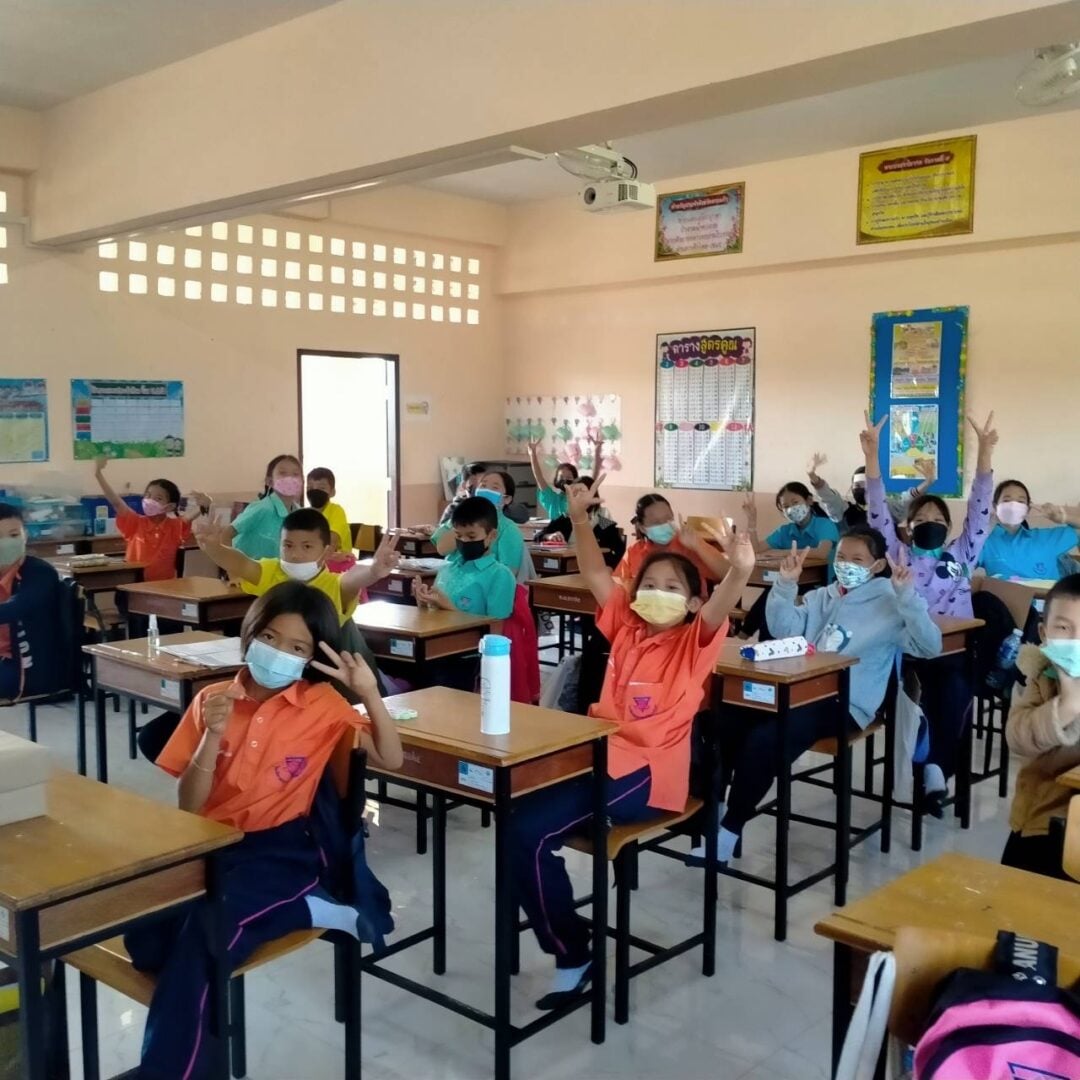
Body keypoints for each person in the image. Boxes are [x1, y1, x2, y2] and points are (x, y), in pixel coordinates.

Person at [124, 582, 403, 1079]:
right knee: (145, 943)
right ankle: (305, 908)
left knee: (206, 939)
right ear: (250, 633)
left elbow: (391, 757)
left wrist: (367, 692)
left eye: (297, 647)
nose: (278, 653)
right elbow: (189, 805)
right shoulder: (212, 699)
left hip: (281, 850)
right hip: (209, 845)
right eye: (270, 638)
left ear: (312, 657)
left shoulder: (321, 704)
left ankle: (171, 1072)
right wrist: (212, 735)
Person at [511, 477, 754, 1009]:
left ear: (693, 602)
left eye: (672, 588)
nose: (657, 594)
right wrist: (579, 519)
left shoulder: (694, 642)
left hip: (647, 775)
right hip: (594, 756)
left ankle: (573, 954)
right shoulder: (627, 625)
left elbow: (722, 604)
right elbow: (597, 573)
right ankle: (569, 935)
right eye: (650, 585)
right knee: (516, 817)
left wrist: (739, 570)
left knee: (525, 832)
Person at [695, 528, 941, 863]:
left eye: (858, 559)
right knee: (727, 716)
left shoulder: (892, 601)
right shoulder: (824, 595)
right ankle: (715, 807)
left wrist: (907, 597)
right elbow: (783, 629)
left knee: (768, 737)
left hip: (847, 702)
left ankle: (729, 831)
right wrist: (786, 585)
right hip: (799, 689)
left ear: (878, 565)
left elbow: (930, 646)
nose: (846, 565)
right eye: (841, 557)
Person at [862, 410, 998, 814]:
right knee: (919, 696)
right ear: (907, 526)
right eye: (921, 518)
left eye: (939, 519)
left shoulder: (961, 554)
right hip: (904, 652)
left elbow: (981, 509)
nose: (930, 523)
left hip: (950, 652)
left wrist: (985, 453)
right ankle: (930, 761)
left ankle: (935, 768)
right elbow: (876, 510)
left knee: (954, 689)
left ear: (950, 526)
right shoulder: (897, 552)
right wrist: (871, 457)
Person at [1003, 573, 1080, 879]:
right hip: (1045, 817)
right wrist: (1067, 706)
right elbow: (1017, 737)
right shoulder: (1038, 675)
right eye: (1063, 628)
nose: (1075, 640)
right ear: (1044, 633)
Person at [195, 508, 398, 624]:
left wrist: (373, 571)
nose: (295, 555)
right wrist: (215, 548)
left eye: (307, 546)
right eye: (288, 545)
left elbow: (351, 580)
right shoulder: (272, 572)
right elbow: (241, 563)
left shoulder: (332, 584)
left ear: (326, 551)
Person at [93, 456, 210, 581]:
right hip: (135, 586)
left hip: (165, 586)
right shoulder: (135, 523)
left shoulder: (175, 526)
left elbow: (191, 515)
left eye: (158, 498)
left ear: (170, 506)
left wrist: (206, 503)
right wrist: (98, 474)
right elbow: (116, 503)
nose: (150, 500)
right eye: (148, 495)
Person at [413, 496, 516, 626]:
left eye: (471, 536)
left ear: (492, 535)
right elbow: (434, 621)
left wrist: (449, 608)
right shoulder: (447, 570)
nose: (464, 541)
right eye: (458, 535)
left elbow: (495, 630)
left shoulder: (500, 575)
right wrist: (424, 603)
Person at [0, 504, 67, 700]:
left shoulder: (39, 572)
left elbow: (15, 608)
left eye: (14, 535)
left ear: (25, 536)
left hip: (26, 667)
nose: (6, 542)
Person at [613, 493, 729, 595]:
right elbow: (618, 586)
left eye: (668, 519)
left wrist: (698, 545)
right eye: (656, 522)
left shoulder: (688, 546)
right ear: (642, 528)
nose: (664, 525)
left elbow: (727, 574)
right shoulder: (634, 551)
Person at [431, 470, 530, 583]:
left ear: (507, 499)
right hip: (451, 580)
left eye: (494, 487)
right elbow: (442, 549)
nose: (486, 490)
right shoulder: (461, 516)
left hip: (483, 587)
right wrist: (467, 520)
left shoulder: (509, 529)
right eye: (483, 485)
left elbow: (508, 574)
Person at [979, 479, 1080, 581]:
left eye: (1020, 501)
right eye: (1007, 500)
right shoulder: (985, 542)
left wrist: (1062, 517)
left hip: (1049, 591)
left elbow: (1077, 531)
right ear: (995, 506)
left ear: (1028, 509)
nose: (1013, 506)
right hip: (1002, 591)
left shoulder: (1045, 538)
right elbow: (968, 564)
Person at [807, 452, 935, 533]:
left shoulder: (887, 508)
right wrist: (812, 475)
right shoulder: (844, 511)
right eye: (857, 485)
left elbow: (906, 500)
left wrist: (927, 482)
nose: (862, 489)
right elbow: (828, 497)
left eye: (866, 485)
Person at [535, 474, 626, 568]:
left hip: (593, 569)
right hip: (567, 568)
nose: (577, 498)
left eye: (582, 493)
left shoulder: (603, 522)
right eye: (574, 494)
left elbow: (619, 551)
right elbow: (538, 536)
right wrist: (549, 536)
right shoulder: (565, 518)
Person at [224, 454, 304, 559]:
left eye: (295, 474)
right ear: (270, 481)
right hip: (247, 568)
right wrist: (231, 567)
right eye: (283, 473)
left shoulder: (299, 513)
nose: (290, 478)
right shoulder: (262, 508)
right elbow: (226, 534)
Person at [745, 481, 840, 562]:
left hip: (822, 577)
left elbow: (821, 553)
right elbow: (755, 549)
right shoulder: (784, 531)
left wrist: (782, 553)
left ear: (809, 500)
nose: (791, 509)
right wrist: (751, 522)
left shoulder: (825, 525)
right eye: (786, 506)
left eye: (795, 502)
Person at [527, 432, 603, 520]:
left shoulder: (582, 498)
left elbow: (592, 481)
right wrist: (532, 454)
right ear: (556, 480)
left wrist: (597, 451)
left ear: (576, 481)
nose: (565, 480)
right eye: (561, 477)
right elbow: (539, 478)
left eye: (569, 477)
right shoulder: (553, 500)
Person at [305, 466, 353, 556]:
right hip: (313, 561)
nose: (315, 491)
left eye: (321, 488)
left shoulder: (336, 511)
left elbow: (330, 545)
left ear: (332, 492)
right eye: (310, 488)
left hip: (338, 562)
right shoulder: (304, 515)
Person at [437, 461, 488, 527]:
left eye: (482, 482)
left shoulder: (490, 507)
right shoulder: (453, 508)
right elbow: (442, 531)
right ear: (464, 485)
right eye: (474, 480)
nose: (478, 486)